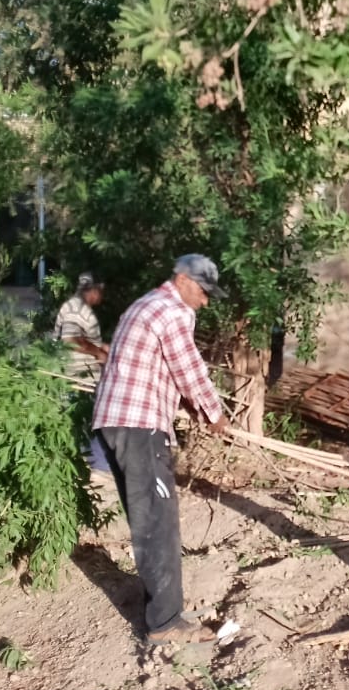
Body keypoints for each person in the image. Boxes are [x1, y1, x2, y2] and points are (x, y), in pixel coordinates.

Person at [92, 254, 230, 645]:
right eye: (203, 291)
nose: (205, 301)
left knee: (148, 517)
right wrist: (213, 412)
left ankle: (160, 609)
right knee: (159, 521)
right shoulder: (173, 312)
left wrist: (189, 406)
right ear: (183, 280)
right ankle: (166, 622)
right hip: (139, 427)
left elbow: (156, 368)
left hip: (116, 421)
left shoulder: (144, 305)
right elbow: (189, 370)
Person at [54, 273, 109, 379]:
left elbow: (79, 337)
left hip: (81, 373)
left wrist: (101, 346)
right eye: (101, 291)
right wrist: (99, 353)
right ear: (95, 291)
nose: (102, 295)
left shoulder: (74, 306)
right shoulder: (76, 309)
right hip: (78, 375)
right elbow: (70, 341)